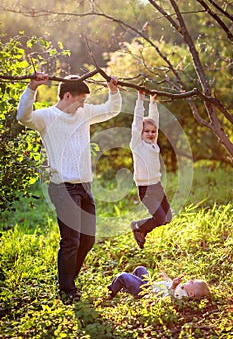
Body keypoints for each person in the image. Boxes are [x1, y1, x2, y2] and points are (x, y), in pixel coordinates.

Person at [17, 72, 122, 304]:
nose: (84, 104)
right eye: (81, 100)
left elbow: (110, 110)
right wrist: (32, 88)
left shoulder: (83, 114)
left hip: (84, 186)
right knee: (71, 241)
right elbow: (23, 117)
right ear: (67, 96)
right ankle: (67, 291)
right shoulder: (47, 117)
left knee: (88, 239)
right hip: (63, 188)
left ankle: (69, 280)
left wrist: (113, 90)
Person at [129, 90, 172, 249]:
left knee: (167, 218)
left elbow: (155, 121)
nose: (151, 133)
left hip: (157, 185)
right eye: (146, 131)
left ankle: (141, 229)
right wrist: (140, 99)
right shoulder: (137, 145)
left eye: (153, 131)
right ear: (140, 133)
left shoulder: (154, 144)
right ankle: (138, 226)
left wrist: (153, 102)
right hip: (145, 188)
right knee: (160, 218)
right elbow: (137, 122)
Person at [108, 266, 210, 300]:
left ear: (191, 294)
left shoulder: (182, 295)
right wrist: (167, 279)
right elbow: (170, 285)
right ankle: (126, 288)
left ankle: (109, 293)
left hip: (146, 292)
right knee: (141, 269)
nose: (190, 280)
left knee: (123, 276)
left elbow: (171, 297)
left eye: (192, 283)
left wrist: (174, 285)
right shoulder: (182, 288)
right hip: (149, 285)